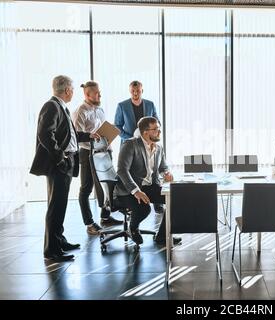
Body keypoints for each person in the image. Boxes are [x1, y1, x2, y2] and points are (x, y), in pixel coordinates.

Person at [30, 75, 100, 262]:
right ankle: (51, 250)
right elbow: (45, 134)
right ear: (68, 90)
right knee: (55, 207)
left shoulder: (61, 107)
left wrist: (87, 136)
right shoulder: (52, 106)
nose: (73, 93)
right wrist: (60, 157)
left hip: (66, 162)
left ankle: (59, 241)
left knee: (60, 205)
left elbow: (69, 134)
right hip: (59, 164)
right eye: (73, 90)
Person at [113, 116, 181, 245]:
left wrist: (166, 173)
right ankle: (132, 228)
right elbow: (122, 170)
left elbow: (163, 167)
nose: (159, 132)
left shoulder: (159, 147)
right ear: (145, 132)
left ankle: (162, 236)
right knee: (144, 209)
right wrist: (136, 191)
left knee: (174, 199)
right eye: (156, 129)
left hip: (149, 186)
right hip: (128, 190)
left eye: (159, 129)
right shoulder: (130, 144)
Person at [73, 81, 123, 235]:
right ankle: (89, 223)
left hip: (104, 151)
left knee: (108, 184)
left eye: (99, 92)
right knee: (86, 188)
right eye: (96, 93)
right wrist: (92, 137)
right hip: (87, 153)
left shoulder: (100, 109)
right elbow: (76, 137)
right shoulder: (80, 111)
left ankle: (105, 217)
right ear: (87, 95)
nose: (100, 95)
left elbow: (101, 130)